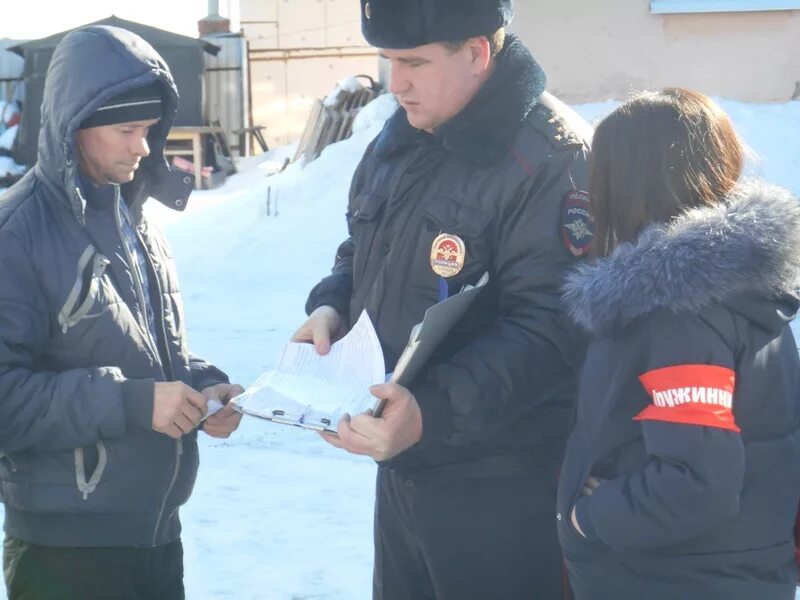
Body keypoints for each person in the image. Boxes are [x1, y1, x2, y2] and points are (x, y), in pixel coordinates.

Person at [291, 1, 593, 597]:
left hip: (504, 488)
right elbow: (361, 246)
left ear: (478, 53)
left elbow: (553, 329)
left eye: (414, 63)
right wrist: (330, 308)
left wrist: (431, 412)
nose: (395, 82)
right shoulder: (404, 134)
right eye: (387, 62)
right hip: (404, 472)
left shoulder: (554, 158)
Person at [0, 26, 243, 600]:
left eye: (149, 130)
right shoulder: (16, 234)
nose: (143, 146)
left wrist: (202, 389)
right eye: (126, 130)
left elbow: (148, 354)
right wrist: (134, 403)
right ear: (74, 125)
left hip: (156, 535)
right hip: (65, 556)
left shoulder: (135, 219)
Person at [557, 88, 800, 599]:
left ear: (622, 185)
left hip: (674, 579)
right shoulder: (741, 290)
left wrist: (587, 517)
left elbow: (695, 484)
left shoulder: (680, 315)